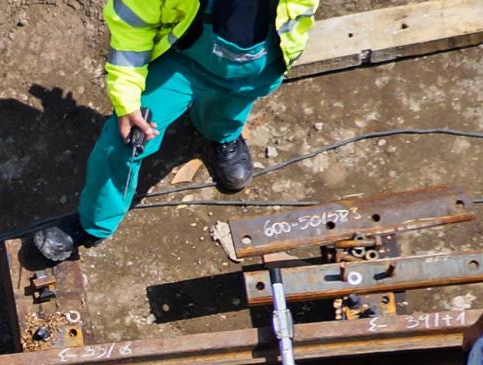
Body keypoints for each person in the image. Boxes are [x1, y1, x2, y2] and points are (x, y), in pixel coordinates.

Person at [31, 0, 319, 263]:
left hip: (258, 67)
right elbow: (132, 23)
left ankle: (219, 137)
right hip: (183, 61)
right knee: (123, 143)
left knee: (227, 113)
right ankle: (94, 224)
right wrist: (127, 99)